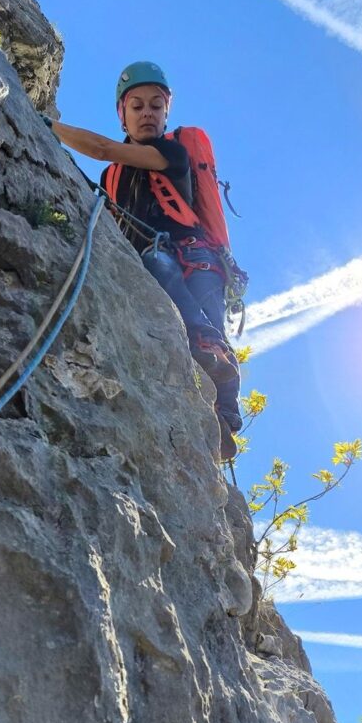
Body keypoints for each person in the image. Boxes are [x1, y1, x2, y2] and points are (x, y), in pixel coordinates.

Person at [43, 61, 242, 455]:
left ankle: (225, 411)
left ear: (167, 113)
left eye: (156, 105)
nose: (147, 113)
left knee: (205, 329)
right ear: (123, 114)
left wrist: (49, 126)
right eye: (137, 106)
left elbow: (102, 149)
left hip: (192, 254)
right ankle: (216, 415)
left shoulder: (171, 152)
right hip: (168, 259)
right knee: (195, 320)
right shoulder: (111, 178)